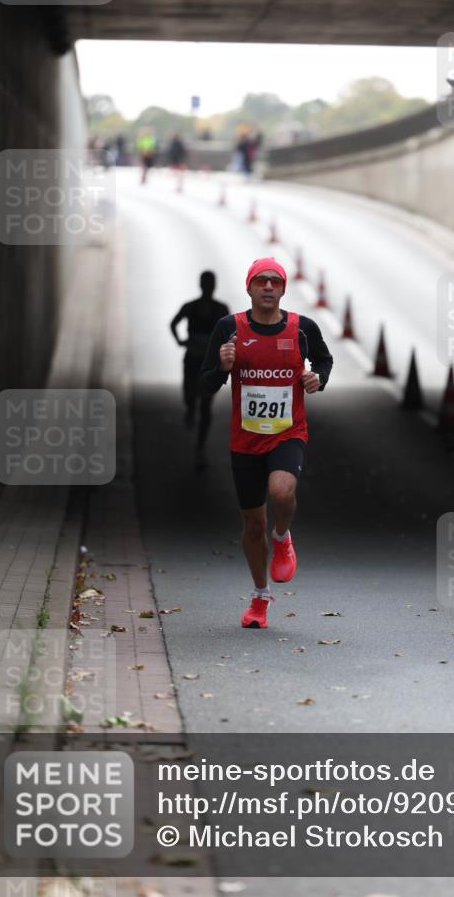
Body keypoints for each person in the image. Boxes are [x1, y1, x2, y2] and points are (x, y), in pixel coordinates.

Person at [199, 258, 333, 629]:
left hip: (288, 433)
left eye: (276, 281)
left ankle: (283, 536)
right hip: (245, 441)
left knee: (282, 491)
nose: (269, 287)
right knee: (252, 524)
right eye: (262, 281)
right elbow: (205, 384)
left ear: (284, 288)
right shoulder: (229, 329)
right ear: (249, 288)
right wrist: (223, 368)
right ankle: (260, 598)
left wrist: (317, 378)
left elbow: (323, 360)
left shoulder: (303, 328)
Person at [170, 272, 229, 469]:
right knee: (189, 393)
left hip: (209, 363)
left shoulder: (219, 309)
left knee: (205, 405)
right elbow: (173, 323)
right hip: (194, 359)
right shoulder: (193, 307)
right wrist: (180, 340)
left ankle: (200, 447)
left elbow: (232, 332)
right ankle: (189, 408)